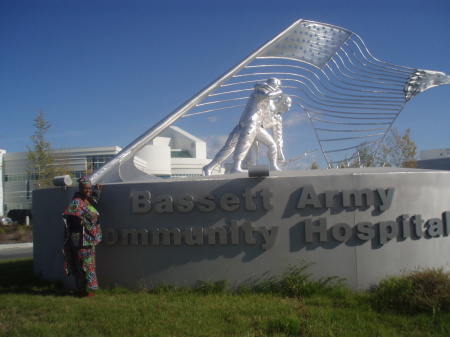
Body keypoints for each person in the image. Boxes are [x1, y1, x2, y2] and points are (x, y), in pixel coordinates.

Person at [202, 78, 290, 175]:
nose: (287, 108)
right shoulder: (260, 90)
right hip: (250, 122)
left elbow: (278, 135)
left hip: (256, 126)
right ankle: (234, 167)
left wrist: (280, 152)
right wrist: (280, 92)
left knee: (271, 144)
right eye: (277, 86)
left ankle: (273, 167)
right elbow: (267, 96)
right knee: (238, 145)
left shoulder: (274, 111)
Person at [62, 176, 102, 297]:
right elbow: (72, 219)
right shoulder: (76, 203)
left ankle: (87, 290)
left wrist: (98, 191)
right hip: (80, 241)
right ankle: (82, 291)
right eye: (85, 188)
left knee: (89, 265)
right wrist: (88, 219)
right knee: (82, 266)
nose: (88, 190)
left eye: (89, 188)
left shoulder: (86, 201)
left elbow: (92, 202)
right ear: (80, 189)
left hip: (89, 241)